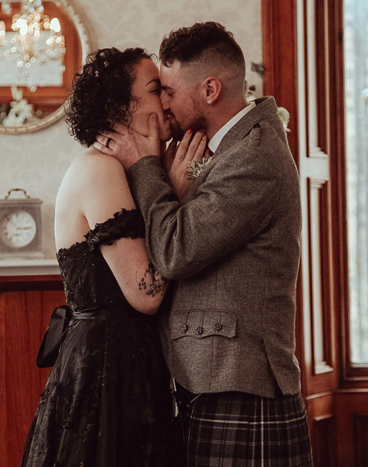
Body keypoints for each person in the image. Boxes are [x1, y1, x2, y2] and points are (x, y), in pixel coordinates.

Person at [94, 22, 314, 466]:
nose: (165, 103)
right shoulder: (221, 147)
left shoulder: (252, 158)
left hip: (239, 386)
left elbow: (175, 251)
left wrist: (144, 165)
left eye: (170, 90)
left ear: (210, 89)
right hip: (216, 381)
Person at [21, 47, 204, 467]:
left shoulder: (126, 170)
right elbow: (149, 293)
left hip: (131, 363)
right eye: (157, 88)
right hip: (105, 373)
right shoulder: (99, 169)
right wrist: (176, 196)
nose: (168, 98)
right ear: (120, 107)